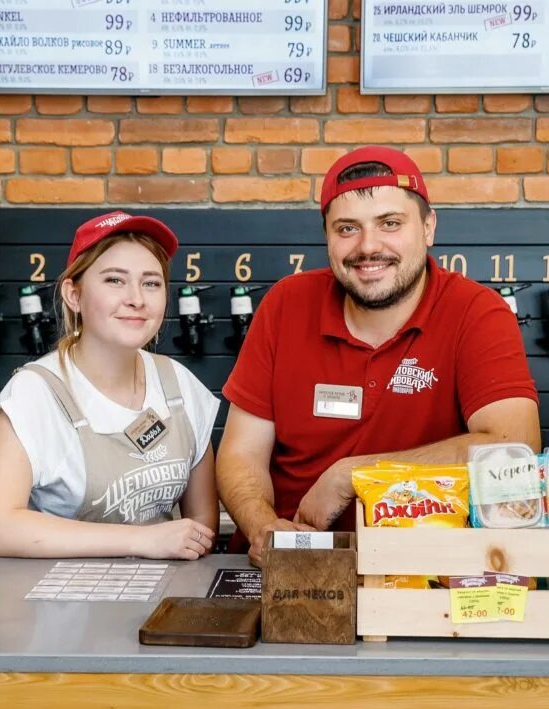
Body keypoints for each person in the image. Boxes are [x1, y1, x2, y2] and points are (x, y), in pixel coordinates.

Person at [216, 146, 540, 566]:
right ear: (328, 237)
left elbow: (512, 445)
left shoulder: (476, 312)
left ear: (428, 227)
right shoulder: (286, 304)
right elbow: (241, 453)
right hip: (286, 569)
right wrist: (263, 527)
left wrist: (354, 475)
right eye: (347, 228)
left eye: (389, 223)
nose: (368, 247)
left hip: (418, 570)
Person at [0, 211, 219, 560]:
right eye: (114, 281)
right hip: (59, 608)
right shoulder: (34, 394)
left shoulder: (179, 386)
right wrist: (141, 540)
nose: (136, 298)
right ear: (73, 295)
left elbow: (202, 524)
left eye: (151, 283)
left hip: (165, 600)